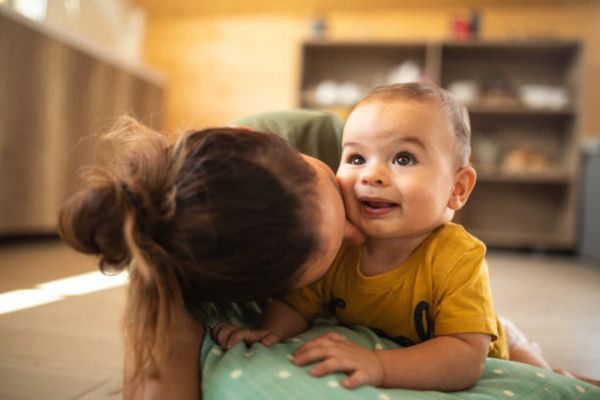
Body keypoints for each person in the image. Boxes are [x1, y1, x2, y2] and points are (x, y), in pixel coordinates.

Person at [213, 82, 600, 391]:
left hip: (489, 339)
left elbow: (466, 357)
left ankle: (543, 360)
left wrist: (379, 365)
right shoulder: (343, 244)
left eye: (403, 159)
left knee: (543, 375)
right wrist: (266, 331)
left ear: (457, 188)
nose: (371, 175)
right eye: (356, 158)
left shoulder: (456, 257)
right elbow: (298, 305)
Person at [58, 114, 356, 399]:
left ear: (247, 134)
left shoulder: (321, 136)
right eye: (338, 246)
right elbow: (157, 365)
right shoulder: (169, 247)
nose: (357, 233)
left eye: (330, 183)